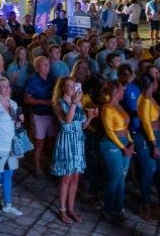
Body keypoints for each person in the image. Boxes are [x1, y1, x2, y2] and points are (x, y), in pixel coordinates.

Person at [50, 76, 96, 225]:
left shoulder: (78, 102)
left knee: (76, 177)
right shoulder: (59, 103)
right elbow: (67, 121)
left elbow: (82, 125)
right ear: (63, 88)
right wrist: (74, 103)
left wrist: (90, 117)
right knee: (66, 178)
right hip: (67, 141)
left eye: (73, 85)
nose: (72, 88)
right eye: (69, 86)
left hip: (78, 141)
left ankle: (71, 209)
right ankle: (62, 210)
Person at [0, 78, 24, 222]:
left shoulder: (13, 104)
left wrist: (20, 120)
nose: (7, 89)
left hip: (11, 146)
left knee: (8, 175)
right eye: (3, 86)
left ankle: (8, 205)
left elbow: (15, 125)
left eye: (8, 86)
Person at [135, 74, 160, 221]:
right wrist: (154, 144)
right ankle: (146, 205)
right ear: (148, 86)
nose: (156, 85)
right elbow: (147, 124)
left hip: (157, 136)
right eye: (154, 83)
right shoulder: (144, 100)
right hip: (148, 138)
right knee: (149, 171)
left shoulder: (150, 97)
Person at [99, 81, 134, 223]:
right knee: (114, 178)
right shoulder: (107, 109)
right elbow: (110, 132)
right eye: (122, 90)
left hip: (124, 143)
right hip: (112, 145)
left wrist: (130, 142)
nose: (124, 92)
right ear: (116, 92)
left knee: (122, 178)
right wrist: (124, 147)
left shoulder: (119, 106)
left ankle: (119, 208)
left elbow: (125, 127)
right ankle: (107, 209)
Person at [24, 56, 57, 175]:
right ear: (37, 68)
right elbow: (26, 99)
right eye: (44, 65)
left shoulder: (52, 78)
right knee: (39, 143)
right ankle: (37, 167)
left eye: (48, 64)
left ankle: (51, 164)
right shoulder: (32, 80)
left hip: (52, 115)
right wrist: (44, 102)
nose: (47, 67)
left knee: (52, 142)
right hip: (39, 114)